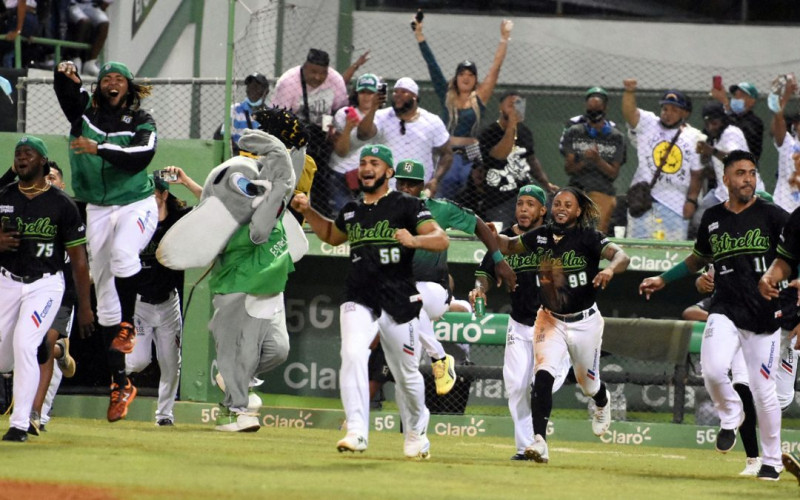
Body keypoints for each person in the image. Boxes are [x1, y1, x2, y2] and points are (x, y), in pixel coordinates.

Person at [291, 144, 449, 459]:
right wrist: (308, 210)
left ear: (389, 172)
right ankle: (357, 430)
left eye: (374, 163)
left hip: (399, 296)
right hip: (359, 294)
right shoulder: (352, 209)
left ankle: (417, 433)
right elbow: (332, 236)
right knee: (351, 353)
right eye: (363, 162)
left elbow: (441, 238)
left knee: (407, 374)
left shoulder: (407, 204)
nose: (366, 167)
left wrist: (415, 239)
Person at [640, 150, 787, 481]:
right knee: (713, 369)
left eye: (752, 172)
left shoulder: (773, 215)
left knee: (764, 392)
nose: (747, 178)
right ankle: (731, 414)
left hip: (764, 315)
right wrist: (663, 279)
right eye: (740, 173)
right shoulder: (712, 217)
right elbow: (697, 259)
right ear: (726, 179)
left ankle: (772, 461)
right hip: (725, 307)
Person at [54, 59, 159, 423]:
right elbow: (68, 96)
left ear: (128, 87)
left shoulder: (142, 120)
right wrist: (62, 73)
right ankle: (121, 383)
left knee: (123, 253)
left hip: (135, 202)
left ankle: (130, 325)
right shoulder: (85, 114)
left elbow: (141, 157)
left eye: (119, 78)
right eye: (106, 78)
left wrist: (99, 149)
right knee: (106, 305)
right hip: (97, 208)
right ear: (98, 87)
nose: (112, 82)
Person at [494, 187, 630, 463]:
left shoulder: (589, 237)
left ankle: (602, 401)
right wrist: (482, 231)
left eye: (568, 204)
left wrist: (609, 269)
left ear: (578, 210)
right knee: (541, 376)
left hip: (585, 322)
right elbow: (508, 246)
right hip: (550, 318)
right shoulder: (541, 236)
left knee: (588, 384)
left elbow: (621, 257)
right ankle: (540, 441)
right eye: (557, 203)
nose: (561, 208)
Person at [393, 158, 516, 395]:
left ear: (422, 185)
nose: (407, 188)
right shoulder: (387, 211)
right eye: (402, 183)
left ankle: (440, 357)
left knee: (406, 301)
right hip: (403, 293)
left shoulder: (441, 208)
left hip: (434, 290)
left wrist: (499, 260)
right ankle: (414, 430)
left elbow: (478, 224)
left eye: (412, 184)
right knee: (407, 371)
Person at [0, 135, 93, 442]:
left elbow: (79, 261)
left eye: (28, 153)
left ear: (42, 161)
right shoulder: (4, 196)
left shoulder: (62, 204)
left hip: (45, 285)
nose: (21, 157)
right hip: (8, 280)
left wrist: (85, 307)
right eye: (18, 153)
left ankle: (21, 423)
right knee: (5, 358)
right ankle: (46, 347)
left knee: (24, 345)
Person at [469, 184, 571, 461]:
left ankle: (569, 369)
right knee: (516, 385)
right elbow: (484, 273)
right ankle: (527, 447)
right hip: (520, 322)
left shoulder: (554, 238)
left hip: (551, 323)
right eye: (519, 204)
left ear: (542, 210)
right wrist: (480, 288)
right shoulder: (503, 240)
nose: (523, 209)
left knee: (541, 384)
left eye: (530, 204)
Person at [413, 17, 513, 199]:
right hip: (447, 153)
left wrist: (504, 38)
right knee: (443, 196)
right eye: (462, 74)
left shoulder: (480, 98)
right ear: (456, 77)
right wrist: (420, 35)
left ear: (475, 79)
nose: (466, 78)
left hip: (471, 156)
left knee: (471, 196)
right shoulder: (447, 96)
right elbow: (432, 65)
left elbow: (495, 68)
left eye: (470, 74)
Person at [124, 173, 192, 427]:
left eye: (151, 195)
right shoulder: (136, 222)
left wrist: (185, 181)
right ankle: (117, 374)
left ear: (164, 195)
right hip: (141, 305)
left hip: (168, 304)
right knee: (139, 361)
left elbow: (208, 206)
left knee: (171, 363)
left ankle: (164, 415)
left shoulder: (178, 220)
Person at [682, 270, 762, 476]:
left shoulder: (754, 283)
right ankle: (753, 459)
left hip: (753, 328)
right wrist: (722, 317)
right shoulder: (717, 299)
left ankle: (761, 458)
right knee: (732, 383)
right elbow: (689, 311)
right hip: (727, 330)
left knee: (761, 395)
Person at [27, 162, 79, 435]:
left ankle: (37, 414)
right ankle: (62, 352)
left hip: (61, 293)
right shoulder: (28, 207)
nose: (47, 180)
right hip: (28, 288)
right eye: (43, 176)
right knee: (30, 347)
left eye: (53, 177)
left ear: (61, 184)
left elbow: (80, 262)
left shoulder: (69, 212)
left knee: (45, 341)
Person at [268, 48, 348, 216]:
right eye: (313, 72)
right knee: (294, 178)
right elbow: (277, 119)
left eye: (322, 73)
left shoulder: (336, 81)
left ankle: (321, 216)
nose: (318, 77)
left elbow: (341, 110)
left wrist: (335, 127)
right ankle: (287, 213)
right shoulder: (288, 82)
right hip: (293, 137)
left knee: (321, 180)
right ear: (304, 67)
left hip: (323, 140)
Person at [622, 81, 702, 240]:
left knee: (670, 255)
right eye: (665, 109)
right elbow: (630, 113)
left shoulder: (695, 137)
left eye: (674, 109)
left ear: (685, 113)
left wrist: (691, 201)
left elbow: (697, 174)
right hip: (643, 201)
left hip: (676, 205)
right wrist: (629, 92)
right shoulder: (649, 123)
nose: (668, 113)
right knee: (638, 251)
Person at [356, 77, 454, 196]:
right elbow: (362, 134)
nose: (398, 95)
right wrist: (373, 109)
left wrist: (436, 180)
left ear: (415, 97)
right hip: (384, 190)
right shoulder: (381, 116)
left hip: (418, 191)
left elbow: (447, 154)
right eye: (396, 91)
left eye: (404, 92)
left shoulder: (432, 121)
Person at [475, 90, 557, 227]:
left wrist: (545, 183)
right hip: (498, 198)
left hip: (524, 193)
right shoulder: (490, 132)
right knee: (501, 234)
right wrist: (512, 125)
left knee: (548, 217)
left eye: (518, 105)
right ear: (500, 107)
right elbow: (500, 155)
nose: (514, 108)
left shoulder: (524, 131)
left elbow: (531, 159)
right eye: (510, 105)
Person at [562, 87, 626, 233]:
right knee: (570, 231)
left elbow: (613, 173)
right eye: (591, 107)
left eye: (597, 108)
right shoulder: (574, 132)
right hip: (576, 189)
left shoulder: (616, 137)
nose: (594, 111)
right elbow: (568, 168)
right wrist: (585, 160)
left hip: (603, 191)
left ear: (605, 108)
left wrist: (598, 160)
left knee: (594, 235)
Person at [325, 73, 381, 214]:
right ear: (356, 94)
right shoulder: (344, 114)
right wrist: (349, 127)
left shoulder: (384, 116)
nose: (366, 96)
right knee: (343, 216)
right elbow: (341, 151)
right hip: (342, 173)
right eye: (362, 92)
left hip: (371, 175)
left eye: (370, 93)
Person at [769, 77, 800, 213]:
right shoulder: (789, 143)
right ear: (795, 126)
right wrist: (783, 94)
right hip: (783, 210)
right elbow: (778, 117)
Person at [711, 81, 764, 160]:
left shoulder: (755, 122)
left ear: (752, 101)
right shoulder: (726, 115)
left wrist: (725, 103)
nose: (736, 99)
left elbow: (741, 131)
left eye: (741, 96)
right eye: (735, 95)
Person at [229, 72, 270, 156]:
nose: (252, 91)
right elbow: (224, 136)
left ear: (266, 92)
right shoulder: (235, 109)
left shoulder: (270, 115)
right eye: (250, 87)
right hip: (238, 158)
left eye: (257, 87)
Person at [67, 0, 112, 76]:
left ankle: (90, 63)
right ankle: (76, 59)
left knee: (104, 22)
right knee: (84, 22)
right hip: (73, 4)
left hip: (91, 5)